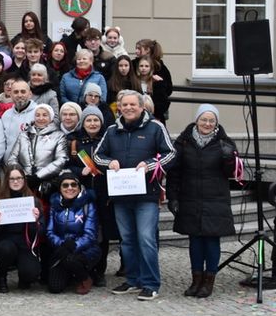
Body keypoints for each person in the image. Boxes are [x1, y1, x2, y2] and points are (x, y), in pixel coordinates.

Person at [93, 90, 175, 301]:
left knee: (146, 238)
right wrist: (109, 163)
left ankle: (150, 283)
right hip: (121, 195)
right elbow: (97, 156)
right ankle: (133, 279)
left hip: (147, 195)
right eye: (124, 105)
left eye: (133, 105)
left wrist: (149, 165)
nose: (128, 108)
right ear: (119, 107)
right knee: (127, 240)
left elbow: (170, 153)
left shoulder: (155, 127)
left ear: (141, 107)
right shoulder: (112, 130)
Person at [166, 104, 238, 299]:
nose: (207, 123)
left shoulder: (225, 142)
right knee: (195, 241)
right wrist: (173, 197)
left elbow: (232, 174)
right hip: (189, 197)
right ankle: (196, 280)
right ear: (196, 120)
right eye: (203, 119)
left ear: (216, 123)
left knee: (212, 240)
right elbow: (174, 172)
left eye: (211, 120)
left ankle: (209, 281)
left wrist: (228, 159)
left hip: (215, 198)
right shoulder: (183, 142)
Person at [68, 105, 116, 286]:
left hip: (104, 194)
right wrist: (81, 171)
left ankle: (100, 270)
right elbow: (67, 166)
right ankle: (83, 269)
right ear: (83, 122)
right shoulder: (74, 142)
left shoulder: (108, 140)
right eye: (89, 120)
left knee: (102, 235)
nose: (93, 123)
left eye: (96, 120)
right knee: (82, 231)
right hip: (82, 194)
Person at [44, 170, 100, 294]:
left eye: (74, 185)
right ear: (60, 188)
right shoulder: (54, 205)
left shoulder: (88, 205)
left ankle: (86, 277)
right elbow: (50, 231)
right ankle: (70, 275)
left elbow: (90, 234)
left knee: (71, 260)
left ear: (79, 187)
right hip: (61, 248)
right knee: (55, 287)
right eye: (65, 185)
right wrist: (62, 244)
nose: (70, 188)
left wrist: (73, 245)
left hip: (84, 249)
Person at [0, 164, 43, 293]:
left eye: (19, 178)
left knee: (31, 273)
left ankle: (24, 278)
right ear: (6, 181)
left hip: (25, 245)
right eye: (12, 179)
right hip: (4, 245)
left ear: (24, 180)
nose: (16, 181)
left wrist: (35, 221)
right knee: (5, 249)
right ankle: (1, 277)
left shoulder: (33, 202)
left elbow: (41, 232)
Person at [6, 103, 68, 199]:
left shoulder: (59, 135)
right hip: (24, 183)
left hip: (46, 184)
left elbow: (61, 159)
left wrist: (38, 176)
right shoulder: (24, 135)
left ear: (50, 117)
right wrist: (22, 175)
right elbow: (12, 158)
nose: (40, 118)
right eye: (37, 115)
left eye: (44, 115)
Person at [0, 80, 36, 153]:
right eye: (16, 92)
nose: (19, 95)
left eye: (23, 92)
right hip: (8, 162)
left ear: (30, 94)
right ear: (10, 95)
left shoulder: (38, 113)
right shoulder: (6, 115)